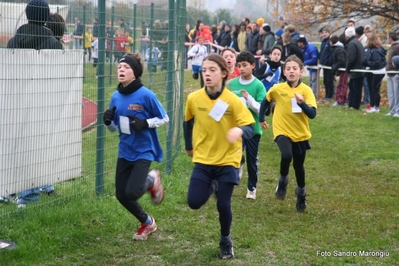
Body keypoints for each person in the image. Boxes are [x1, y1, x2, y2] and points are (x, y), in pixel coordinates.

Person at [183, 53, 255, 259]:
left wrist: (239, 131)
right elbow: (187, 122)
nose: (207, 74)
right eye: (204, 70)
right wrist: (189, 146)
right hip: (204, 160)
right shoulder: (194, 98)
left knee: (223, 204)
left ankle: (225, 240)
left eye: (212, 70)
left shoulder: (233, 101)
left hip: (228, 160)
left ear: (224, 74)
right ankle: (212, 185)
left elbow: (251, 127)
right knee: (194, 202)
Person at [103, 53, 168, 241]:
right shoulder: (116, 96)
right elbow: (115, 128)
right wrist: (108, 122)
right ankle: (148, 223)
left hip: (144, 150)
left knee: (132, 192)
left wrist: (145, 123)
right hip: (125, 150)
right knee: (122, 196)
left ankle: (152, 179)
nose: (121, 70)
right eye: (119, 68)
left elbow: (164, 118)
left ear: (135, 73)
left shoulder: (146, 95)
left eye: (126, 68)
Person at [7, 0, 61, 207]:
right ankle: (28, 197)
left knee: (17, 147)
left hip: (16, 101)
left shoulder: (13, 41)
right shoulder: (53, 43)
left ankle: (10, 191)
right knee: (38, 148)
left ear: (27, 15)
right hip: (42, 103)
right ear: (46, 17)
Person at [259, 55, 317, 212]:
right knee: (286, 155)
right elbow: (265, 100)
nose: (291, 71)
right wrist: (261, 117)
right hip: (281, 130)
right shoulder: (278, 89)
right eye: (288, 69)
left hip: (300, 133)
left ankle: (301, 193)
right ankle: (283, 180)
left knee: (299, 166)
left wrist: (302, 103)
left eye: (294, 69)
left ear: (301, 71)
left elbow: (312, 114)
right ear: (284, 72)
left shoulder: (306, 91)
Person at [227, 51, 266, 199]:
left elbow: (261, 108)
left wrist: (248, 98)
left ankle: (252, 187)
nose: (241, 68)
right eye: (239, 66)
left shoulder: (258, 85)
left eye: (245, 65)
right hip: (234, 129)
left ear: (253, 66)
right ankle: (228, 184)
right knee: (231, 157)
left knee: (252, 160)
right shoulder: (231, 84)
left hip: (253, 129)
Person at [363, 33, 386, 113]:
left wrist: (367, 63)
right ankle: (372, 105)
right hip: (371, 71)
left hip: (378, 72)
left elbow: (377, 63)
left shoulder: (377, 51)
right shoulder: (370, 49)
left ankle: (376, 107)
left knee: (375, 89)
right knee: (371, 88)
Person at [344, 27, 364, 110]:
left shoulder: (352, 44)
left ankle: (354, 105)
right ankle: (351, 104)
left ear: (347, 36)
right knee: (354, 87)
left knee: (355, 88)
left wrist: (347, 68)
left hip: (356, 69)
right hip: (359, 68)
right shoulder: (357, 42)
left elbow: (351, 58)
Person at [330, 34, 350, 107]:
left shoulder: (339, 49)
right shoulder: (338, 49)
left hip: (344, 70)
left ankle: (340, 101)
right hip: (342, 70)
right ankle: (343, 100)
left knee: (342, 85)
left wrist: (334, 68)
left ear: (332, 42)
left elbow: (341, 61)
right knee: (342, 85)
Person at [385, 32, 399, 117]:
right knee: (391, 93)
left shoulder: (397, 47)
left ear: (390, 38)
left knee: (397, 94)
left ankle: (397, 111)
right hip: (389, 73)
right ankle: (392, 110)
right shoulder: (392, 47)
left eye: (387, 37)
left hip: (395, 73)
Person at [319, 27, 334, 102]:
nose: (324, 34)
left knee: (329, 81)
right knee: (325, 81)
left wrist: (328, 62)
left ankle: (330, 95)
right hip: (324, 65)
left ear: (329, 33)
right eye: (323, 32)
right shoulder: (323, 42)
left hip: (329, 65)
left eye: (326, 32)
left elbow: (332, 53)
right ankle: (327, 94)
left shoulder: (329, 42)